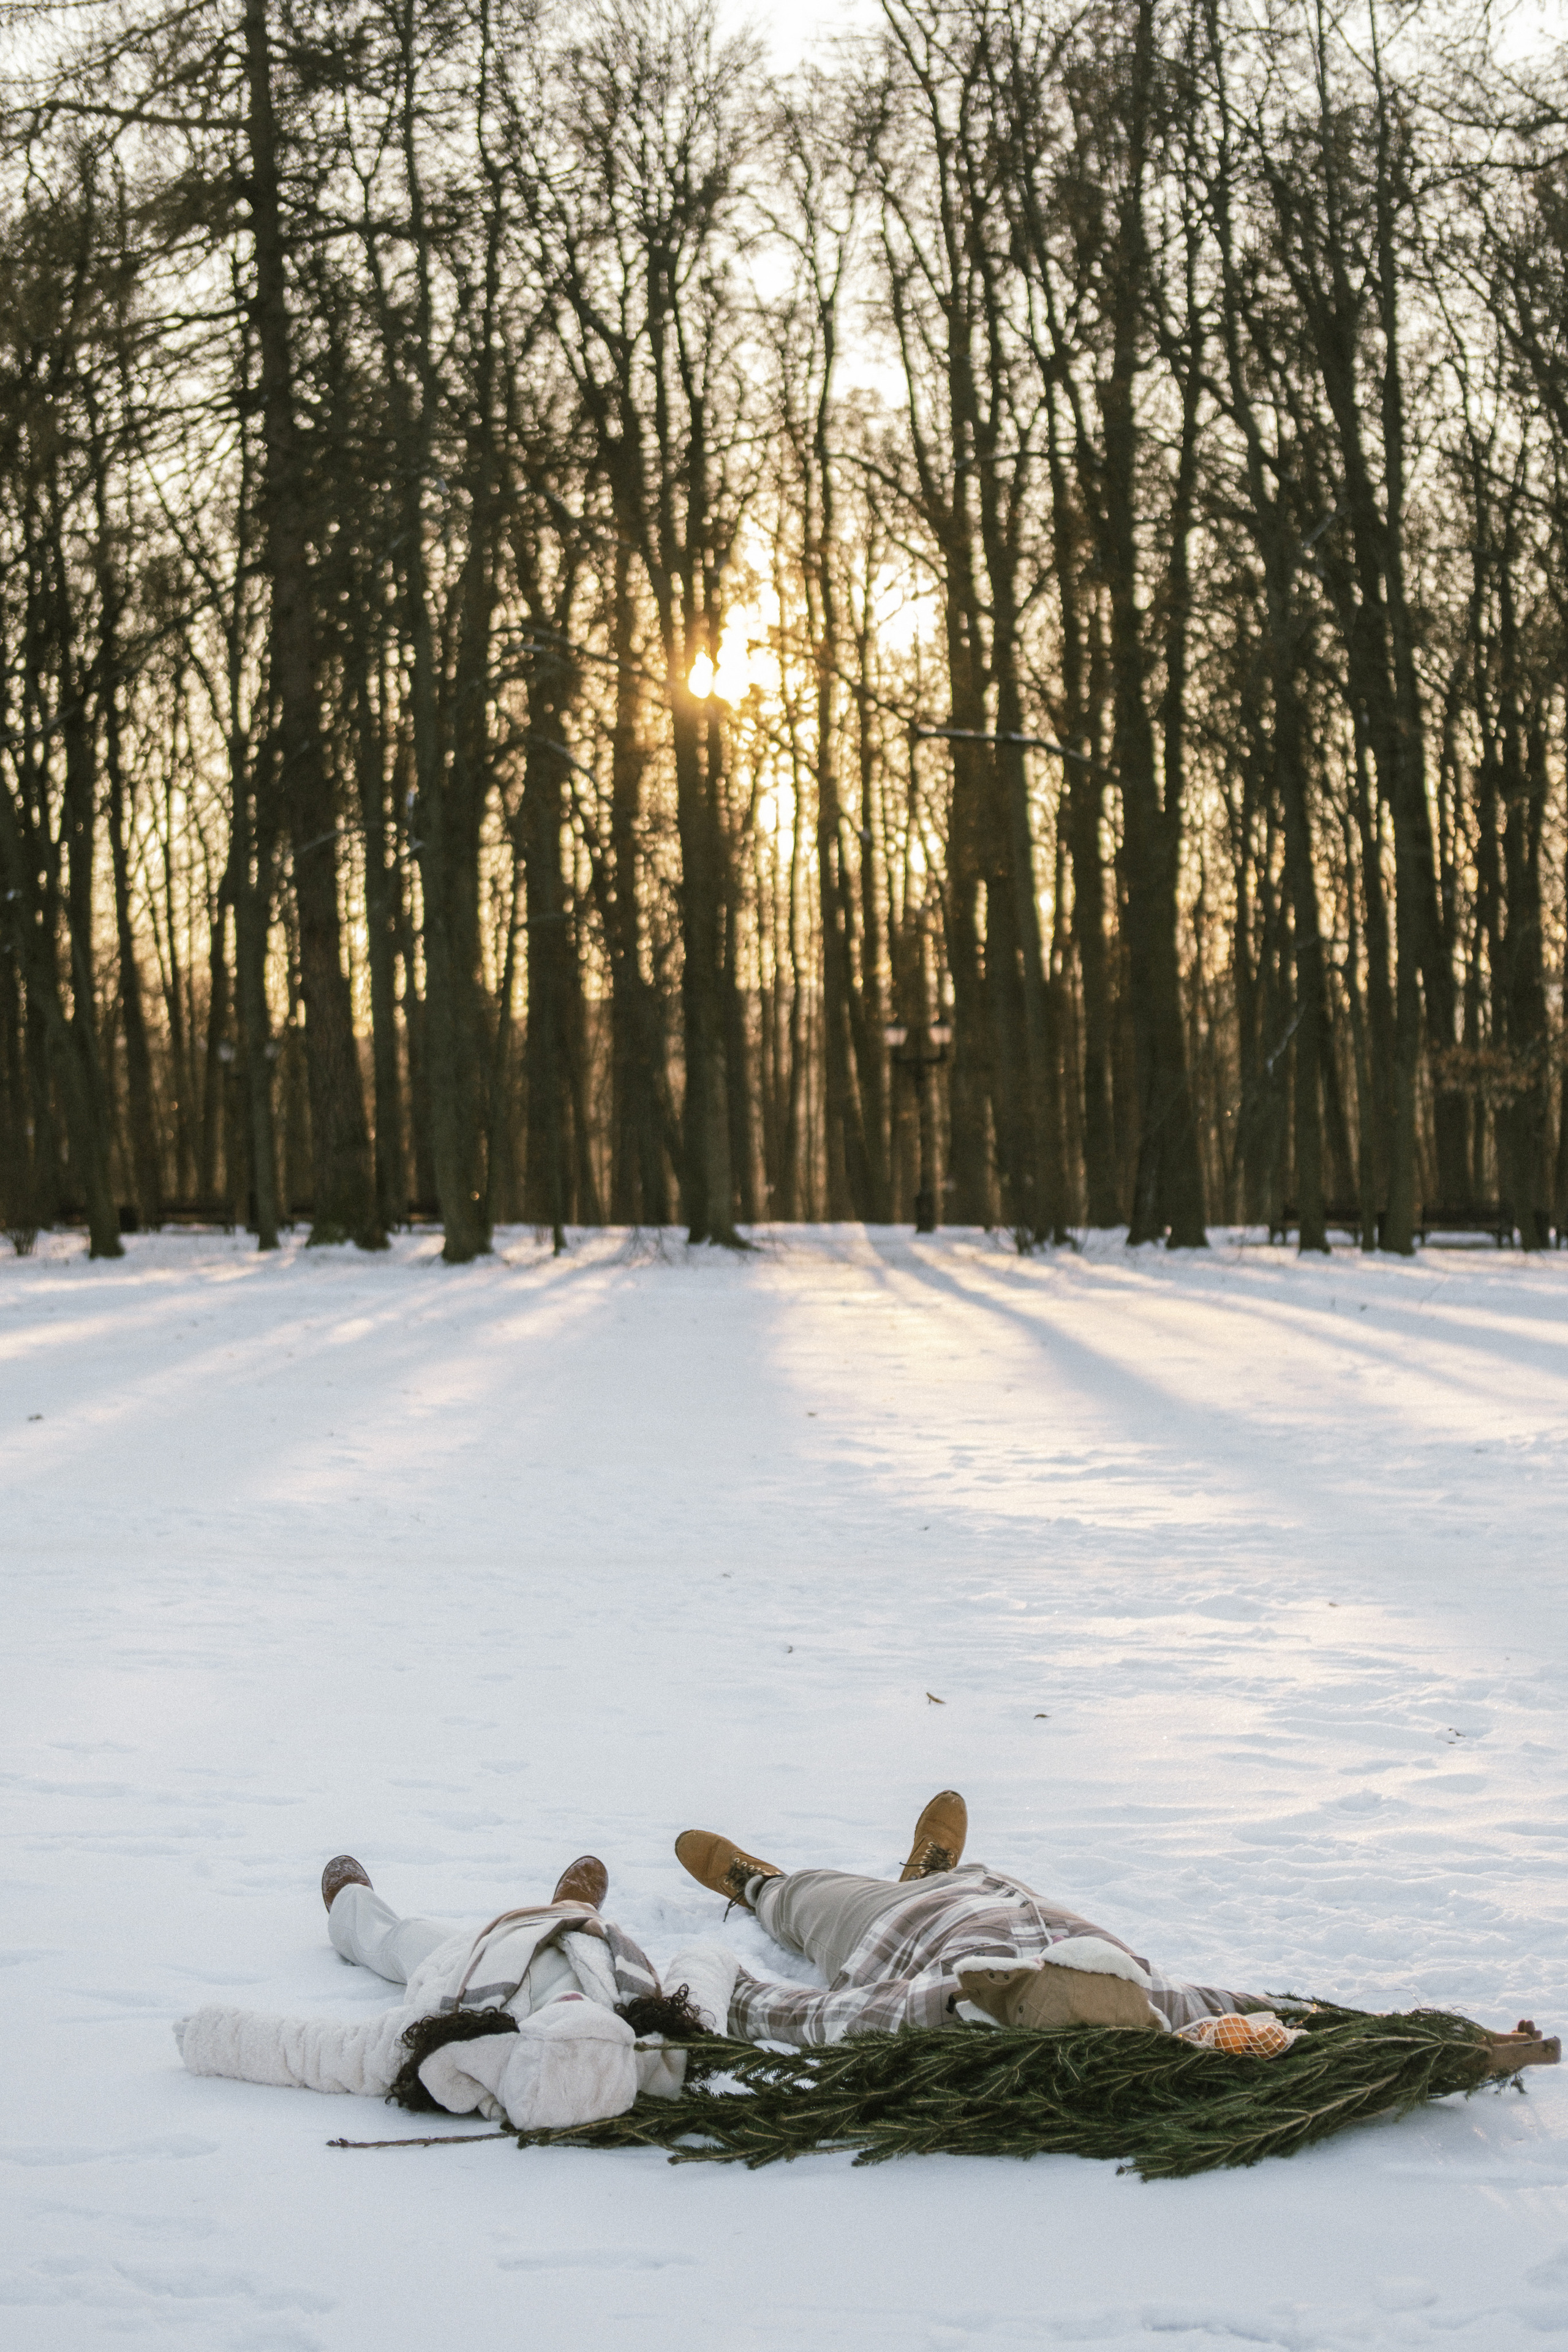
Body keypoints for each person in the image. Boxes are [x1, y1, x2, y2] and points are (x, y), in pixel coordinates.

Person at [674, 1793, 1557, 2073]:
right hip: (1014, 1899)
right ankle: (931, 1869)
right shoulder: (1160, 2006)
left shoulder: (934, 2006)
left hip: (894, 1927)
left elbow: (791, 2016)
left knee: (812, 1899)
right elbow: (1292, 2013)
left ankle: (759, 1884)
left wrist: (703, 1989)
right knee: (957, 1880)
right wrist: (1463, 2046)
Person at [175, 1853, 737, 2130]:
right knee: (575, 1915)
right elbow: (704, 1971)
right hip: (578, 1935)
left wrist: (209, 2036)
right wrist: (721, 1960)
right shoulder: (657, 2047)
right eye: (587, 2013)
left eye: (560, 2017)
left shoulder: (448, 2042)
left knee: (395, 1939)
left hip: (464, 1956)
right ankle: (571, 1901)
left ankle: (350, 1907)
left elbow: (315, 2051)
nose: (571, 2005)